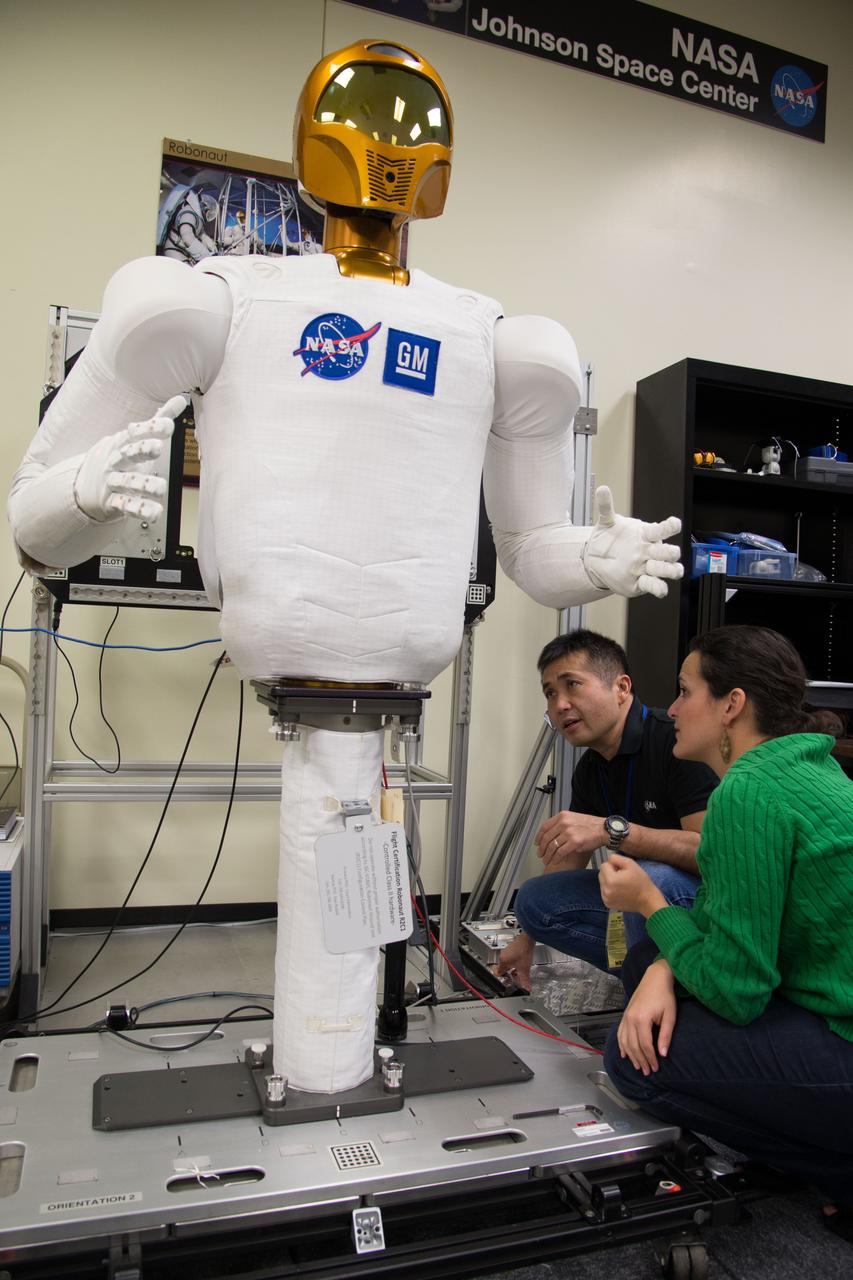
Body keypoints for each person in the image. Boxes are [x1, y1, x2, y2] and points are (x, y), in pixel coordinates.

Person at [7, 41, 684, 1096]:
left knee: (364, 885)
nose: (383, 153)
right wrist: (89, 490)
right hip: (302, 666)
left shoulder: (495, 339)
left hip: (395, 675)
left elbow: (530, 552)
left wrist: (593, 555)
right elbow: (33, 524)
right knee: (349, 886)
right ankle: (317, 1071)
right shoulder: (215, 297)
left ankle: (335, 1066)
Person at [599, 625, 853, 1242]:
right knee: (647, 965)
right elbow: (730, 919)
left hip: (842, 1040)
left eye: (686, 691)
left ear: (732, 704)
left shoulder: (747, 792)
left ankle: (836, 1169)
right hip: (827, 1001)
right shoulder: (811, 766)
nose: (672, 709)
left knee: (631, 1062)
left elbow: (738, 991)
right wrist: (660, 968)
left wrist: (649, 901)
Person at [497, 630, 717, 990]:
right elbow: (569, 860)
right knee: (535, 900)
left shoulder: (675, 742)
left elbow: (709, 852)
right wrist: (526, 938)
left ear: (621, 688)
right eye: (550, 693)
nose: (560, 705)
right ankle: (654, 977)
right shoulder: (590, 768)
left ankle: (668, 987)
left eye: (572, 685)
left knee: (649, 876)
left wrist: (611, 830)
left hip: (705, 903)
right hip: (643, 905)